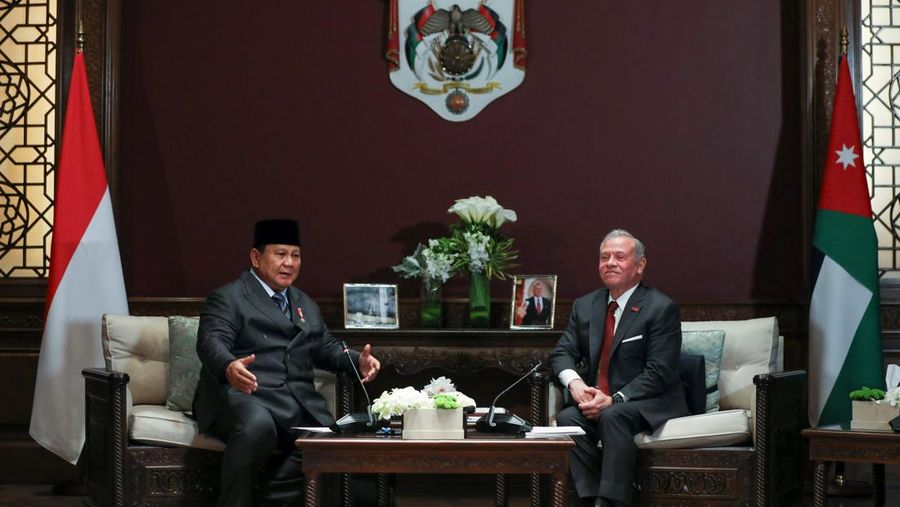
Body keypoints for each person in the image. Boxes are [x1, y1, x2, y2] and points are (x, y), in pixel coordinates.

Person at [193, 219, 381, 507]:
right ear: (256, 257)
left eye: (295, 256)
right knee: (258, 426)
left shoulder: (304, 302)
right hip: (243, 395)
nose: (289, 263)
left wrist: (358, 361)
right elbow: (210, 341)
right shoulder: (228, 297)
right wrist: (229, 366)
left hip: (293, 401)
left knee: (327, 441)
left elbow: (325, 346)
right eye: (280, 254)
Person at [549, 229, 686, 507]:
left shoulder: (661, 308)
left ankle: (611, 502)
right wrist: (575, 385)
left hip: (649, 401)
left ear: (640, 266)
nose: (610, 262)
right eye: (604, 257)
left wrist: (614, 399)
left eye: (619, 257)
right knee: (567, 419)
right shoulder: (585, 306)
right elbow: (562, 353)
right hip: (600, 399)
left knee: (614, 415)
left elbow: (661, 370)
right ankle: (589, 499)